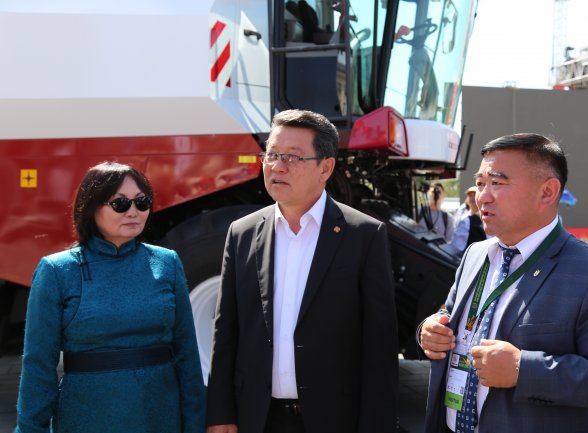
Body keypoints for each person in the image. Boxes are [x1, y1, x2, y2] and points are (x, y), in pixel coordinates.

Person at [418, 133, 588, 433]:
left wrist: (523, 370)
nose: (482, 196)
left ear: (547, 192)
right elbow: (449, 314)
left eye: (497, 183)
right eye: (481, 183)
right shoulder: (475, 254)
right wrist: (430, 330)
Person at [206, 109, 398, 433]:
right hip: (259, 418)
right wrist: (220, 413)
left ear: (325, 168)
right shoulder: (242, 233)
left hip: (333, 419)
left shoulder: (363, 235)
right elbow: (226, 332)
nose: (278, 166)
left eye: (293, 157)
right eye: (272, 154)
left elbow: (380, 347)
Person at [15, 162, 205, 433]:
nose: (133, 211)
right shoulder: (57, 270)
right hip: (87, 417)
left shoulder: (167, 262)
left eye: (142, 202)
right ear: (92, 207)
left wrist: (196, 424)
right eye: (120, 204)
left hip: (160, 415)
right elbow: (38, 365)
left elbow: (187, 354)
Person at [443, 186, 486, 258]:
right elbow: (457, 244)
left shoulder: (485, 218)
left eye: (474, 195)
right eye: (469, 195)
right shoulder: (463, 217)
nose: (472, 198)